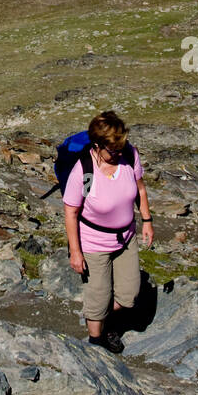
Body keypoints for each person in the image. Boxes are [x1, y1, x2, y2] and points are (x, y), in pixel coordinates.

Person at [63, 110, 153, 354]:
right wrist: (75, 252)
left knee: (128, 296)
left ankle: (103, 318)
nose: (118, 153)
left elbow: (141, 189)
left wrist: (147, 220)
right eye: (113, 149)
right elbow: (71, 212)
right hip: (93, 243)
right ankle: (96, 343)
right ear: (98, 145)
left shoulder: (129, 155)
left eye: (120, 147)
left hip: (126, 238)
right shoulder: (85, 172)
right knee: (98, 298)